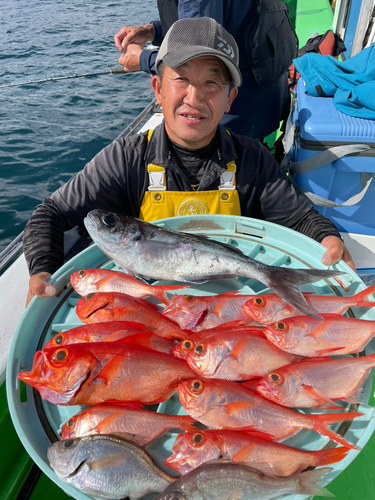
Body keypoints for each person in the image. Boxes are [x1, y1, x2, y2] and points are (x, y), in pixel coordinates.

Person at [23, 17, 354, 305]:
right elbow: (50, 214)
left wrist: (328, 238)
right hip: (152, 307)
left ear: (230, 98)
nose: (194, 98)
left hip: (231, 307)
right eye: (181, 78)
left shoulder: (252, 158)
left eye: (211, 82)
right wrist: (41, 271)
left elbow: (299, 219)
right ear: (158, 89)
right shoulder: (126, 158)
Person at [113, 0, 296, 139]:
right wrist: (152, 31)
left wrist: (142, 59)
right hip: (267, 89)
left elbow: (196, 62)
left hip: (239, 108)